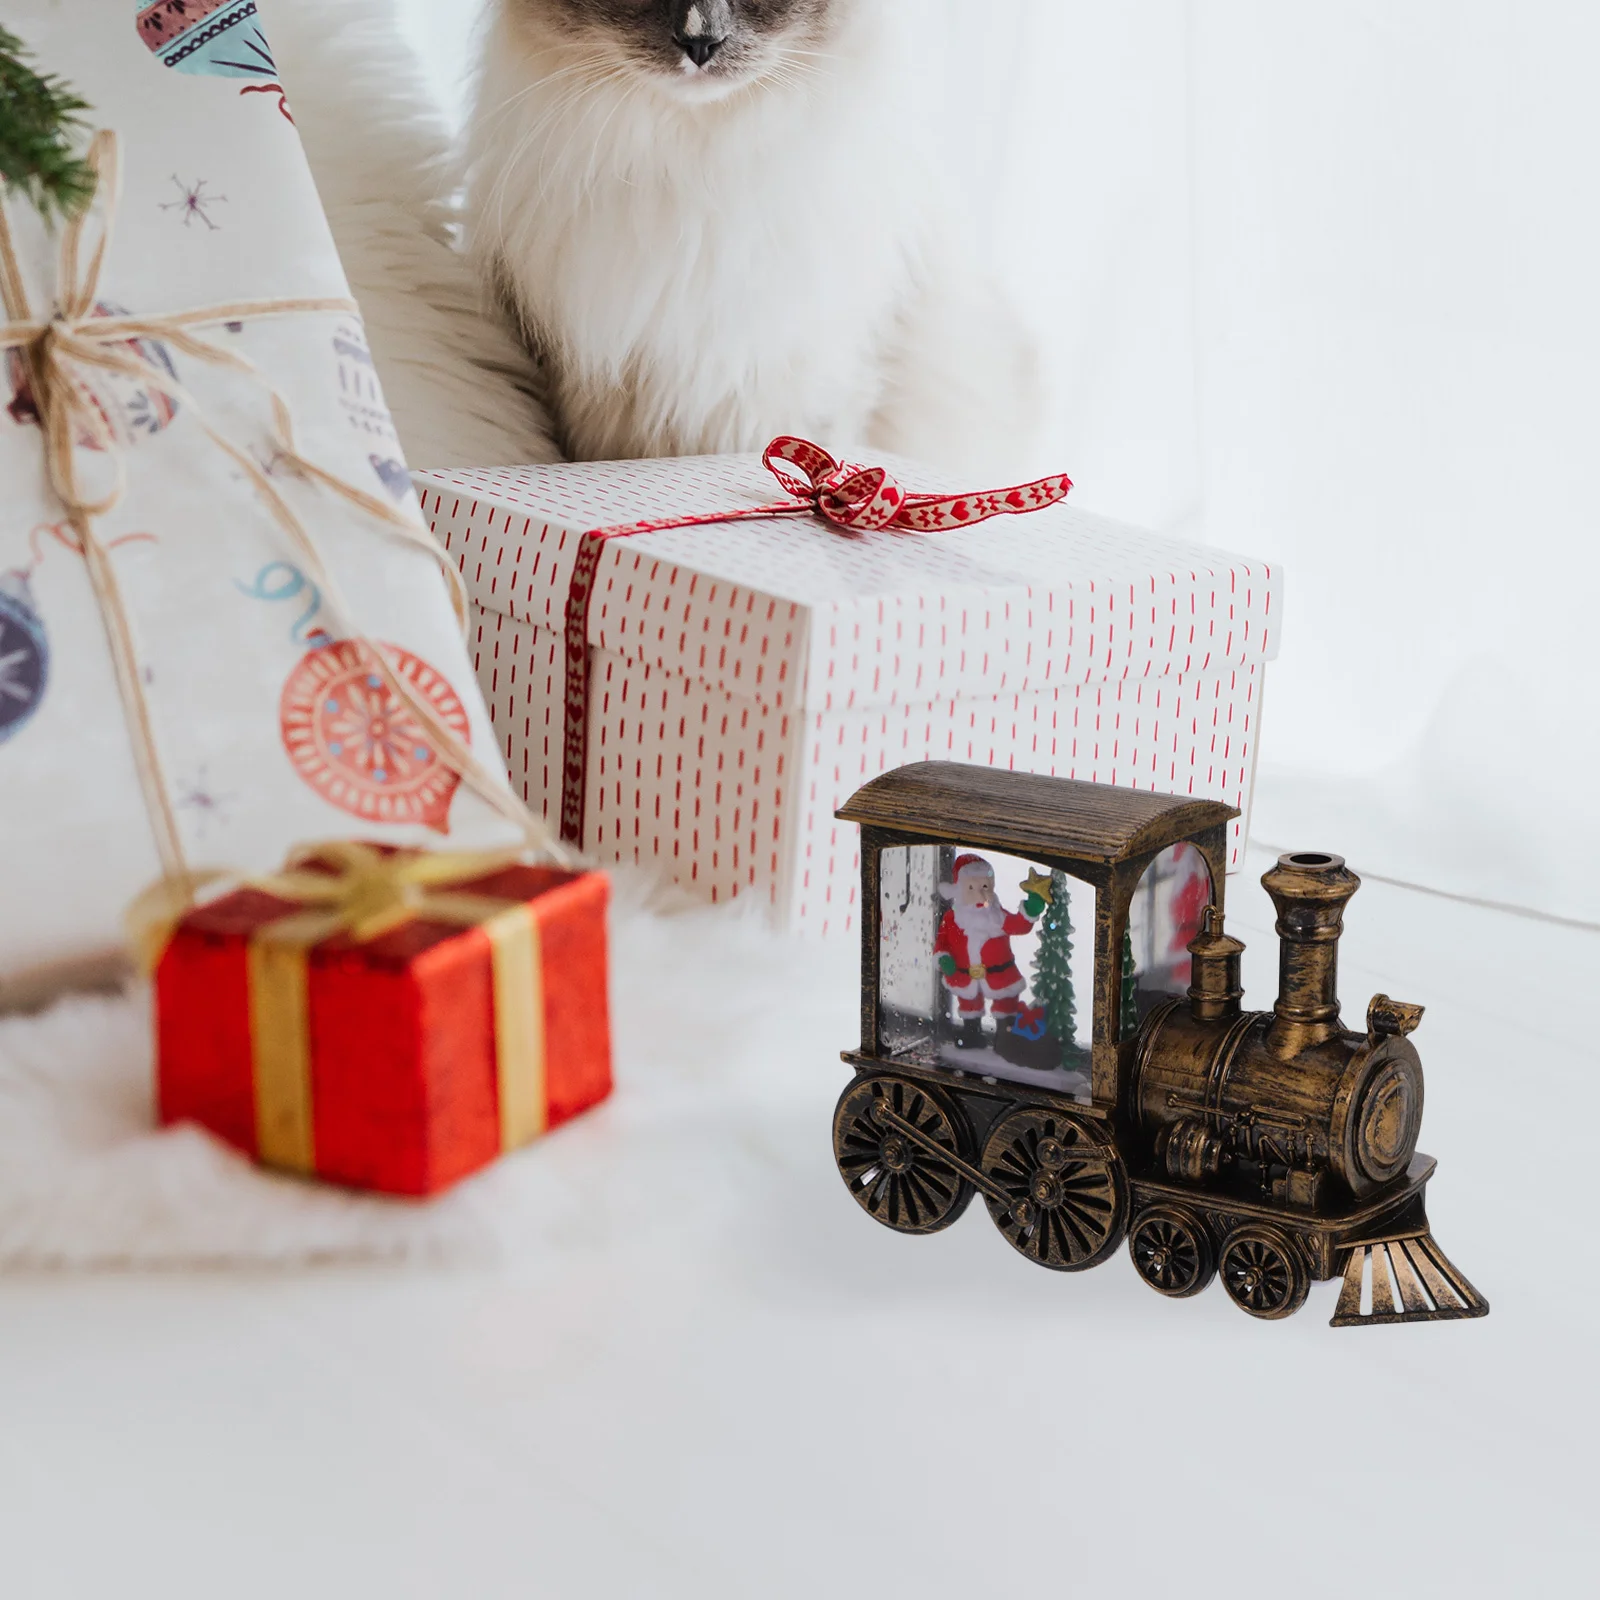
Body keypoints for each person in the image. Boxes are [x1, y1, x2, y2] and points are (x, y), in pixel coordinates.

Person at [934, 855, 1047, 1049]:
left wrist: (1030, 909)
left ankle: (1005, 1037)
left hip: (1000, 975)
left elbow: (1018, 925)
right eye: (972, 888)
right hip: (965, 975)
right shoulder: (952, 919)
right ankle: (972, 1033)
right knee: (969, 1003)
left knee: (1005, 1003)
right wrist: (943, 958)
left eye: (985, 887)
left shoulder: (996, 916)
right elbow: (941, 943)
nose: (980, 895)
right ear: (959, 890)